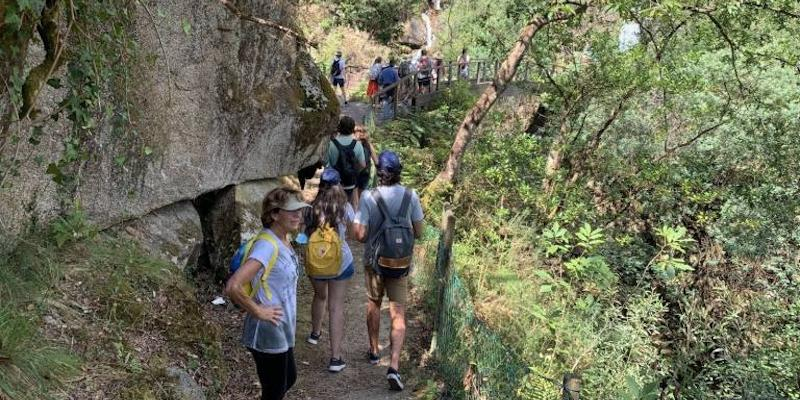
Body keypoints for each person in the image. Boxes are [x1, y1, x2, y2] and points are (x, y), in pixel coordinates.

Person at [225, 187, 310, 400]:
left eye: (299, 210)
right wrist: (259, 311)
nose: (297, 215)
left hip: (282, 326)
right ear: (274, 214)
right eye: (291, 211)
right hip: (267, 330)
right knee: (274, 391)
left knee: (288, 378)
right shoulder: (267, 245)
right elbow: (233, 286)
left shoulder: (284, 240)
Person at [354, 151, 424, 392]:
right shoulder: (411, 195)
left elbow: (360, 235)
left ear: (380, 173)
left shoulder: (368, 196)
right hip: (400, 264)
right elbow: (420, 231)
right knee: (398, 314)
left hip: (375, 263)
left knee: (373, 303)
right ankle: (394, 365)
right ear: (399, 172)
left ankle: (374, 350)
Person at [303, 168, 355, 373]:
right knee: (336, 306)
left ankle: (315, 334)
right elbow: (351, 233)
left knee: (319, 296)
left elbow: (304, 234)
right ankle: (335, 358)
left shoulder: (310, 208)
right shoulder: (345, 207)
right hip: (340, 262)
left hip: (315, 262)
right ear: (339, 184)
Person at [326, 116, 365, 206]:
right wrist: (354, 171)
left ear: (339, 127)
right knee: (352, 206)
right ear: (352, 129)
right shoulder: (357, 144)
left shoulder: (331, 144)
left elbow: (327, 166)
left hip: (335, 184)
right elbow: (363, 165)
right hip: (351, 183)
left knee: (336, 208)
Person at [355, 125, 379, 207]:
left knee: (355, 197)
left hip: (356, 173)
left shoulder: (354, 144)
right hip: (365, 172)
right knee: (361, 197)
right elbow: (376, 161)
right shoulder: (368, 144)